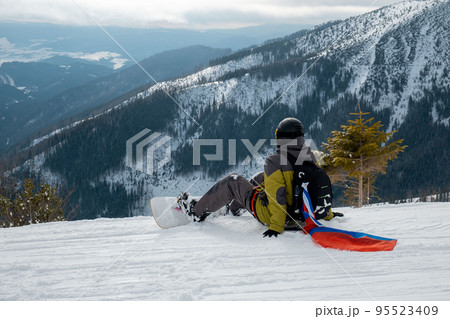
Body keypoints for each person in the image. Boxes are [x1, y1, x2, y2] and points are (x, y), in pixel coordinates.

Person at [177, 117, 336, 237]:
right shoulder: (310, 156)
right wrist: (328, 213)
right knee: (260, 178)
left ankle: (195, 213)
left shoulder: (275, 161)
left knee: (233, 181)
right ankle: (234, 208)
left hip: (278, 217)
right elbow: (317, 187)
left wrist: (276, 227)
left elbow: (277, 196)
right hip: (304, 215)